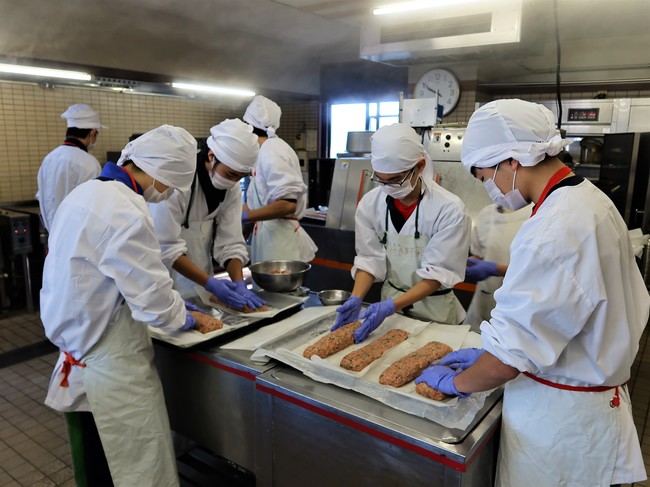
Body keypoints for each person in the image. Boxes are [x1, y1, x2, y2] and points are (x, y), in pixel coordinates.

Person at [415, 99, 649, 486]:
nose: (488, 189)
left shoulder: (554, 228)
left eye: (483, 175)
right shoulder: (587, 199)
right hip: (586, 404)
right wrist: (491, 350)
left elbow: (511, 360)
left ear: (511, 160)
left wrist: (455, 383)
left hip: (560, 427)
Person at [40, 125, 200, 487]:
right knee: (138, 470)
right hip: (114, 372)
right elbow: (153, 302)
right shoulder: (126, 210)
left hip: (77, 350)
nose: (169, 193)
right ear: (160, 174)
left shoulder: (85, 194)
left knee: (96, 464)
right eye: (172, 185)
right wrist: (184, 316)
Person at [332, 123, 471, 343]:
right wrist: (356, 297)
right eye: (380, 179)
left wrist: (391, 306)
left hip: (435, 313)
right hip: (390, 311)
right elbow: (369, 259)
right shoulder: (370, 204)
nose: (388, 188)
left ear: (420, 166)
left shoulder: (448, 209)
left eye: (396, 179)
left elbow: (437, 274)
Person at [148, 118, 265, 310]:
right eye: (229, 174)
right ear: (211, 156)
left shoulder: (231, 188)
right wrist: (210, 283)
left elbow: (231, 240)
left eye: (240, 176)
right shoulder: (177, 183)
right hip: (163, 283)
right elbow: (166, 248)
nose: (233, 181)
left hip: (201, 282)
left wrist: (238, 284)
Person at [242, 95, 317, 264]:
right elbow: (261, 201)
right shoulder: (263, 151)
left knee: (277, 288)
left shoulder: (271, 149)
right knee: (264, 288)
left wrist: (246, 215)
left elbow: (287, 204)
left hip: (278, 240)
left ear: (248, 127)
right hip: (268, 235)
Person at [463, 203, 532, 330]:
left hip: (517, 307)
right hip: (484, 300)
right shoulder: (487, 213)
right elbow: (479, 254)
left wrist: (496, 269)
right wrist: (466, 264)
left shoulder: (535, 214)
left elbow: (537, 271)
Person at [36, 103, 104, 232]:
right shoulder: (88, 163)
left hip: (53, 236)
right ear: (92, 133)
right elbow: (94, 205)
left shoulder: (50, 158)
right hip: (76, 238)